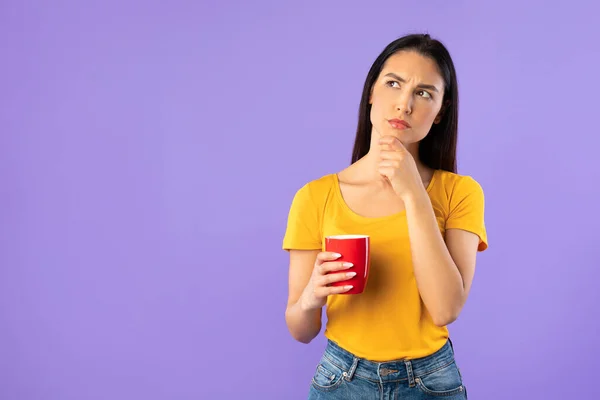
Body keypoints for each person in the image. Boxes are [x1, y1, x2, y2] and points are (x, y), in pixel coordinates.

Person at [282, 33, 488, 399]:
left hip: (431, 383)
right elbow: (300, 330)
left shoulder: (460, 192)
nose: (404, 104)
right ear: (372, 93)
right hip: (341, 380)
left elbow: (445, 309)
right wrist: (312, 296)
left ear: (440, 112)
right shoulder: (315, 197)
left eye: (424, 93)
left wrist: (413, 193)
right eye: (394, 84)